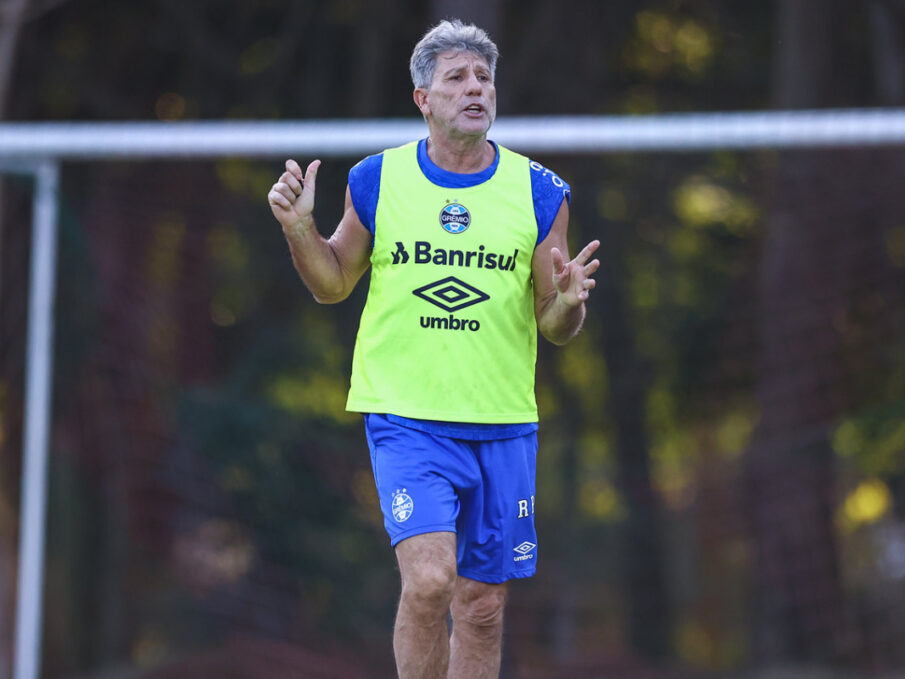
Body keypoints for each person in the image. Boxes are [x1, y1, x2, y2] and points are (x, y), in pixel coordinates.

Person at [267, 18, 599, 679]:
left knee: (479, 606)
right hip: (406, 418)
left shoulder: (537, 192)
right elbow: (332, 282)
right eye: (456, 78)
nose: (474, 88)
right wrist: (300, 229)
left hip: (501, 423)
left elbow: (554, 322)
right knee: (427, 580)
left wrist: (565, 305)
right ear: (422, 98)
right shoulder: (377, 179)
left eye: (483, 77)